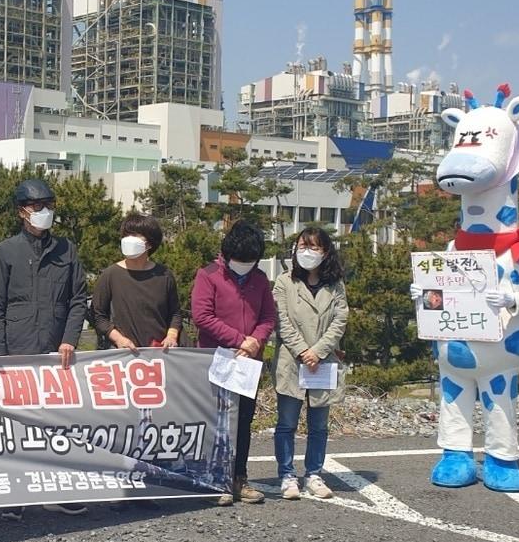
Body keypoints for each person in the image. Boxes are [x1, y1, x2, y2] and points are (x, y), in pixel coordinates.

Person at [0, 177, 90, 517]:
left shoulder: (67, 250)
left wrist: (70, 339)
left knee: (59, 425)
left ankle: (62, 492)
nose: (45, 212)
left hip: (56, 351)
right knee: (17, 426)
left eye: (50, 206)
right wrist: (2, 356)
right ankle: (16, 498)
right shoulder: (6, 251)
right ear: (22, 212)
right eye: (38, 207)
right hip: (18, 351)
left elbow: (78, 300)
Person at [191, 220, 276, 506]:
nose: (244, 265)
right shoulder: (209, 274)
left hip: (248, 362)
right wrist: (240, 339)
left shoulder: (260, 279)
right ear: (227, 254)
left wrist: (254, 342)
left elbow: (268, 317)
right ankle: (215, 479)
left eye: (250, 261)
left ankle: (239, 478)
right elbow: (202, 316)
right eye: (239, 260)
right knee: (215, 421)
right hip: (216, 358)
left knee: (243, 422)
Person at [271, 227, 349, 500]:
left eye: (314, 247)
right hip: (293, 360)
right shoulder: (284, 282)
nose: (307, 252)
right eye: (302, 245)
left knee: (319, 424)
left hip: (323, 361)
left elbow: (340, 320)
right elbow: (281, 321)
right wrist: (304, 351)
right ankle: (287, 474)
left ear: (325, 252)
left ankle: (314, 474)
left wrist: (318, 351)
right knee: (286, 423)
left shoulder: (335, 284)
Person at [91, 214, 181, 351]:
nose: (129, 239)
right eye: (126, 235)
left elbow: (175, 313)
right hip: (123, 356)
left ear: (150, 243)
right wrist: (118, 339)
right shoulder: (110, 275)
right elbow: (98, 316)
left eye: (135, 235)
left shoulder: (164, 275)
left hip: (159, 355)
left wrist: (171, 336)